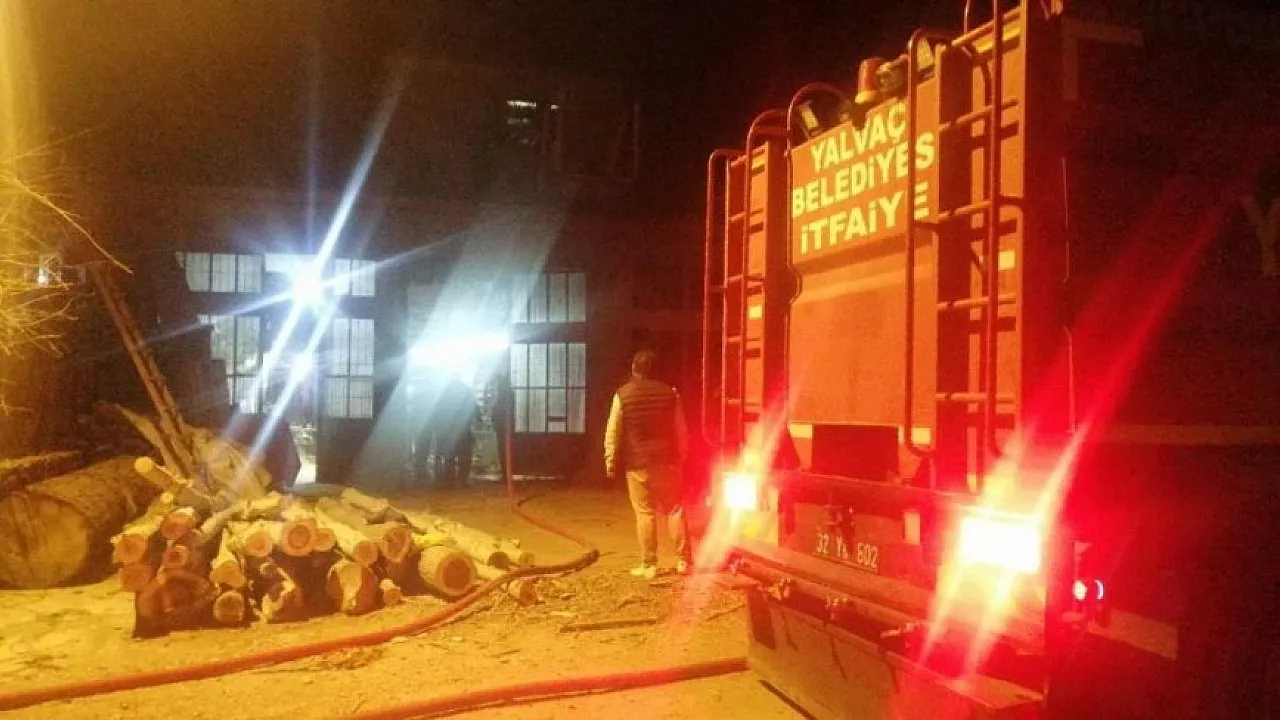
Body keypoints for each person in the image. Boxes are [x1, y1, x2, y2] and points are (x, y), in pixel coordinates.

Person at [604, 349, 691, 579]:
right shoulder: (671, 394)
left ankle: (649, 564)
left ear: (634, 368)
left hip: (637, 463)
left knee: (644, 513)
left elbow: (613, 430)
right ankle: (684, 561)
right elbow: (681, 429)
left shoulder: (622, 395)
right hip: (668, 460)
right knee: (675, 509)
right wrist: (683, 456)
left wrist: (610, 459)